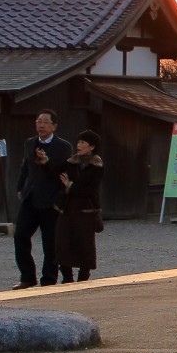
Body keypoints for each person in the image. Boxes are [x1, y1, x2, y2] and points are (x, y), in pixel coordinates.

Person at [11, 109, 72, 289]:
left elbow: (62, 171)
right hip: (31, 196)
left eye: (46, 121)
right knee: (20, 236)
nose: (41, 125)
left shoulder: (63, 146)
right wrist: (20, 187)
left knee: (50, 242)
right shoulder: (30, 143)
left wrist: (47, 162)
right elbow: (25, 167)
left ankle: (49, 279)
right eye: (39, 121)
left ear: (54, 126)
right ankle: (27, 276)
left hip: (51, 199)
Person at [54, 129, 105, 282]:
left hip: (86, 209)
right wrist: (43, 161)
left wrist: (71, 186)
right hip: (67, 207)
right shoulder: (71, 161)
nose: (79, 145)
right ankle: (67, 277)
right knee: (62, 242)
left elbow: (91, 188)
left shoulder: (97, 165)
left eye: (83, 142)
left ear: (91, 146)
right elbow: (54, 172)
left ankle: (84, 275)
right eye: (79, 142)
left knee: (85, 244)